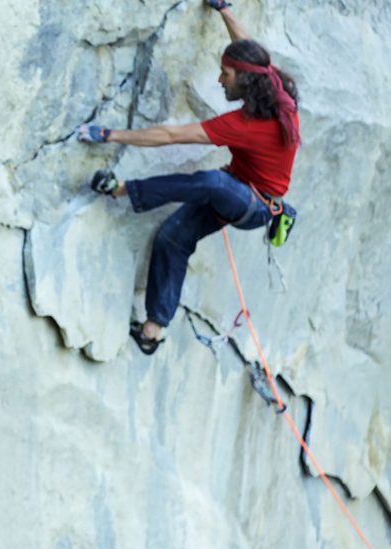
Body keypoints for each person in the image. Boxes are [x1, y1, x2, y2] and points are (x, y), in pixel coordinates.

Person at [77, 0, 300, 355]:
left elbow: (169, 135)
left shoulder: (244, 125)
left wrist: (111, 134)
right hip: (238, 194)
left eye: (224, 74)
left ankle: (121, 190)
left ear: (243, 79)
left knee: (212, 183)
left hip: (253, 206)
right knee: (172, 238)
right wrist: (224, 10)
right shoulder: (275, 88)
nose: (218, 78)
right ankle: (153, 330)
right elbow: (251, 50)